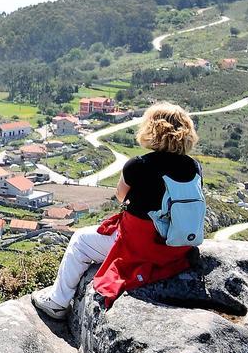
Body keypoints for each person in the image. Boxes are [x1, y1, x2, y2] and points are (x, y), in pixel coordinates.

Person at [33, 102, 201, 319]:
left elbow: (121, 195)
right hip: (179, 247)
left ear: (152, 129)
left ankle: (57, 301)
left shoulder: (138, 165)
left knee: (80, 240)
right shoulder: (195, 167)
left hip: (142, 247)